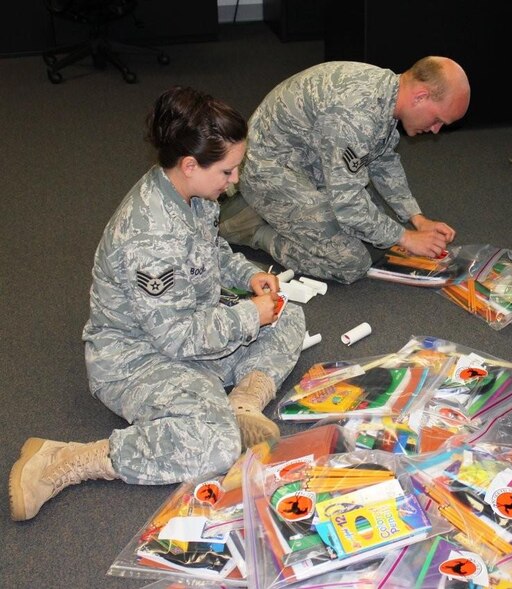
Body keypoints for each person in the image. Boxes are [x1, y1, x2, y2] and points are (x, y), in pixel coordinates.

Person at [9, 87, 306, 522]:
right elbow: (178, 338)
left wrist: (247, 277)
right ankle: (67, 460)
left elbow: (211, 249)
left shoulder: (190, 192)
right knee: (218, 445)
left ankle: (241, 404)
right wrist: (247, 315)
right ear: (190, 165)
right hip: (136, 359)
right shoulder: (148, 237)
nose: (235, 181)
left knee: (287, 315)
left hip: (189, 328)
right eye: (227, 171)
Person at [219, 56, 470, 284]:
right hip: (268, 172)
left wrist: (417, 218)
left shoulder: (388, 92)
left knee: (372, 234)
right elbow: (349, 205)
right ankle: (251, 228)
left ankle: (278, 213)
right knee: (351, 262)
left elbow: (382, 160)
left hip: (308, 164)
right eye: (438, 120)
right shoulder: (355, 115)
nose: (436, 130)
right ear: (421, 96)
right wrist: (405, 237)